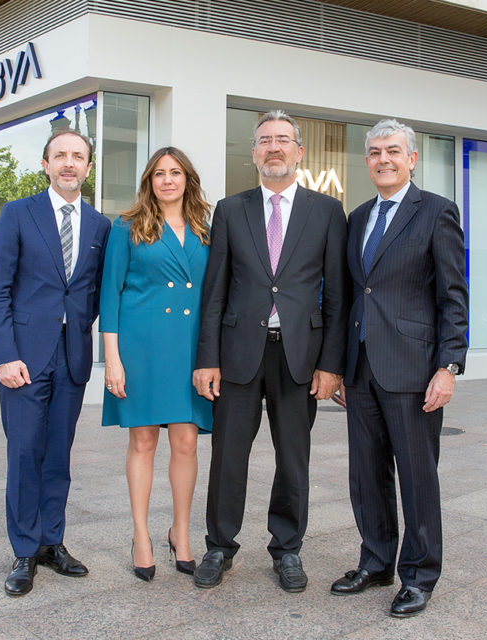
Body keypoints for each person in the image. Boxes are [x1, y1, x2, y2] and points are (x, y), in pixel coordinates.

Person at [192, 110, 349, 592]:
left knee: (293, 457)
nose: (274, 148)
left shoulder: (326, 211)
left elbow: (339, 296)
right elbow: (215, 291)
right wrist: (207, 358)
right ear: (254, 153)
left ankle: (287, 549)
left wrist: (331, 365)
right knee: (228, 455)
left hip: (299, 355)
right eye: (265, 141)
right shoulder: (230, 209)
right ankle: (220, 546)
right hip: (239, 352)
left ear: (299, 152)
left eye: (283, 140)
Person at [331, 119, 468, 618]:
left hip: (414, 368)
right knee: (366, 475)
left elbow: (453, 295)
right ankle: (375, 562)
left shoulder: (436, 212)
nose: (383, 159)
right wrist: (340, 367)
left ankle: (420, 575)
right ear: (366, 160)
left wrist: (448, 366)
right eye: (374, 152)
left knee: (416, 476)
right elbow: (351, 295)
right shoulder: (358, 215)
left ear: (412, 159)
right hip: (362, 367)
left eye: (393, 151)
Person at [0, 129, 111, 596]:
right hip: (23, 358)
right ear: (46, 164)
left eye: (78, 156)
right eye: (61, 156)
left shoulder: (100, 226)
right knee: (24, 453)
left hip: (72, 357)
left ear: (89, 167)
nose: (70, 163)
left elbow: (92, 293)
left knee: (58, 455)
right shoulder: (18, 214)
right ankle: (23, 550)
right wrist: (4, 356)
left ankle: (51, 542)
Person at [100, 147, 213, 581]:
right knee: (143, 440)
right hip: (140, 345)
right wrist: (112, 359)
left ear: (188, 179)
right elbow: (110, 296)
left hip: (188, 347)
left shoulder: (207, 227)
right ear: (149, 180)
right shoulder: (127, 226)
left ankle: (180, 533)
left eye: (176, 172)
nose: (168, 180)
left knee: (186, 440)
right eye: (160, 174)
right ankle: (141, 535)